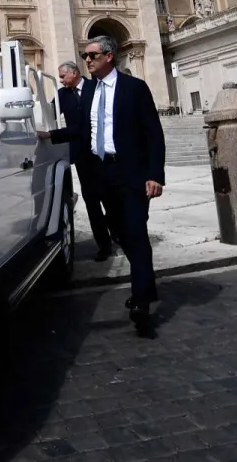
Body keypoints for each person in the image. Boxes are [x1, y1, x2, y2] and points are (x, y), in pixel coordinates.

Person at [46, 35, 166, 337]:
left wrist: (155, 175)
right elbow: (81, 129)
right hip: (102, 174)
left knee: (136, 232)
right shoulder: (88, 93)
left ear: (109, 57)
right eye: (85, 56)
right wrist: (49, 135)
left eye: (92, 55)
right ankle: (147, 284)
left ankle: (140, 302)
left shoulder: (134, 88)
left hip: (133, 173)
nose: (87, 60)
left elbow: (154, 133)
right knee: (119, 232)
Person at [56, 60, 114, 262]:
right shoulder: (61, 95)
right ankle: (104, 246)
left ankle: (116, 232)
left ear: (74, 73)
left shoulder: (95, 87)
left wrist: (54, 134)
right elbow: (47, 112)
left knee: (110, 198)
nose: (61, 80)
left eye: (63, 76)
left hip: (102, 153)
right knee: (91, 201)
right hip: (81, 156)